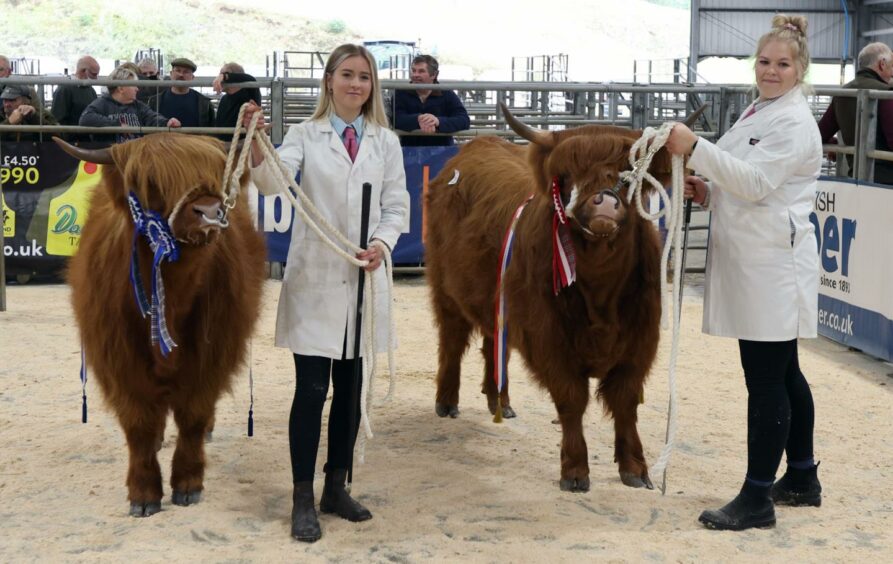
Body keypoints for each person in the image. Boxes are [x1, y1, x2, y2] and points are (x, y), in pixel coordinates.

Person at [242, 43, 408, 543]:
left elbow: (396, 203)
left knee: (351, 392)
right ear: (329, 81)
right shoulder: (303, 135)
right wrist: (257, 141)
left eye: (365, 77)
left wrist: (381, 243)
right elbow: (272, 183)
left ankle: (337, 487)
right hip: (316, 277)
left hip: (364, 278)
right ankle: (302, 497)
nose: (356, 84)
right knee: (312, 391)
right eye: (347, 75)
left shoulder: (385, 141)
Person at [666, 14, 822, 531]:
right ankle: (800, 477)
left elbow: (756, 183)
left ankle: (757, 497)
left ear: (801, 69)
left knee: (766, 380)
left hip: (773, 263)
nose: (771, 70)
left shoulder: (795, 120)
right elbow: (744, 178)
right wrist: (707, 189)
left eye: (782, 64)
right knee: (785, 372)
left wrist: (695, 149)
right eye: (764, 61)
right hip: (756, 257)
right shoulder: (762, 109)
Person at [818, 42, 893, 183]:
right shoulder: (886, 94)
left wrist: (836, 144)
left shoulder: (841, 94)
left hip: (856, 178)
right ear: (882, 64)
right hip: (887, 182)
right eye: (892, 66)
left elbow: (819, 134)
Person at [79, 66, 180, 143]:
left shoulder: (139, 106)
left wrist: (167, 123)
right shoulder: (102, 103)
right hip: (109, 156)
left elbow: (152, 117)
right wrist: (117, 126)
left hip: (135, 155)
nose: (137, 88)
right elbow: (86, 118)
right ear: (121, 88)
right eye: (133, 85)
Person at [393, 54, 469, 146]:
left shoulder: (447, 94)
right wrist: (418, 119)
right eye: (413, 71)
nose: (415, 75)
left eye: (421, 71)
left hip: (441, 151)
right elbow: (395, 118)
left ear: (434, 75)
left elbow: (464, 120)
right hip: (409, 151)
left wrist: (438, 121)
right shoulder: (401, 93)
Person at [147, 58, 214, 127]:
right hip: (164, 137)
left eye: (186, 72)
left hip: (194, 138)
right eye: (178, 70)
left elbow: (211, 130)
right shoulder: (155, 101)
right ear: (171, 74)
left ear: (192, 77)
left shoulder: (204, 103)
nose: (181, 75)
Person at [51, 55, 100, 141]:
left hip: (86, 139)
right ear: (83, 71)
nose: (96, 78)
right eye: (93, 74)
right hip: (72, 140)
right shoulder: (64, 89)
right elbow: (57, 119)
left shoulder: (90, 89)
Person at [212, 62, 262, 136]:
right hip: (223, 144)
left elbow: (251, 79)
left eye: (222, 74)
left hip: (244, 143)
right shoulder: (224, 99)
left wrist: (225, 76)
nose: (219, 79)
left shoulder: (249, 94)